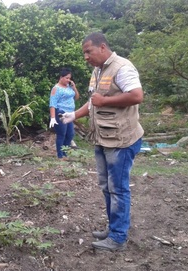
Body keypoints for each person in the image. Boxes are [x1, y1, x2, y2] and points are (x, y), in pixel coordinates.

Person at [60, 32, 144, 251]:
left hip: (120, 141)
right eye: (84, 53)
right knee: (107, 187)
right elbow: (93, 102)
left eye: (88, 51)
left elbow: (136, 95)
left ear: (103, 47)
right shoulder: (98, 71)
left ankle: (118, 237)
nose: (85, 57)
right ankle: (114, 227)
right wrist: (74, 115)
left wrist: (104, 100)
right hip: (103, 139)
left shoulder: (122, 67)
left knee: (118, 189)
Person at [49, 68, 80, 159]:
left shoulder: (69, 87)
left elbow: (77, 97)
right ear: (61, 77)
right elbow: (52, 104)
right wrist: (53, 117)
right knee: (62, 133)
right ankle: (60, 156)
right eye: (66, 78)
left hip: (70, 113)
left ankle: (65, 153)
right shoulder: (56, 88)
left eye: (69, 78)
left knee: (70, 134)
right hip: (61, 112)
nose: (68, 80)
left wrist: (74, 87)